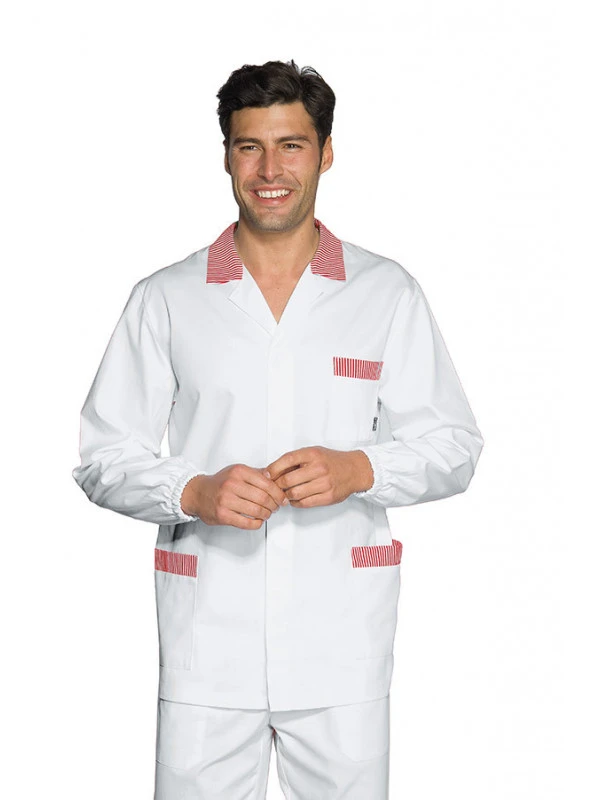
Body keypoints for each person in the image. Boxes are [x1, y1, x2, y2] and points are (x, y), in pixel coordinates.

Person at [72, 59, 484, 799]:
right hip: (208, 641)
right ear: (227, 156)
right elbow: (104, 456)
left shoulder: (385, 292)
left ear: (325, 154)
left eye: (291, 145)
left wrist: (360, 469)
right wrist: (192, 491)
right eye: (249, 147)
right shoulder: (167, 297)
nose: (270, 170)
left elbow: (454, 446)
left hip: (342, 641)